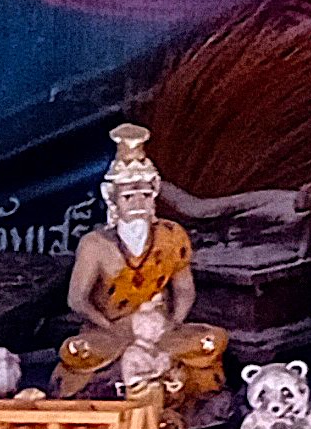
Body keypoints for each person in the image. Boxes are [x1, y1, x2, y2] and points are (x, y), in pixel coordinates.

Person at [54, 123, 229, 403]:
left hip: (162, 329)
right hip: (111, 333)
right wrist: (112, 327)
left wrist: (173, 323)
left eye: (145, 195)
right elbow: (77, 300)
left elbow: (185, 290)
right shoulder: (95, 245)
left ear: (155, 193)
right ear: (111, 197)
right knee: (76, 351)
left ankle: (163, 377)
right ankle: (139, 376)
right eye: (128, 197)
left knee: (211, 341)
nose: (138, 204)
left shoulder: (171, 235)